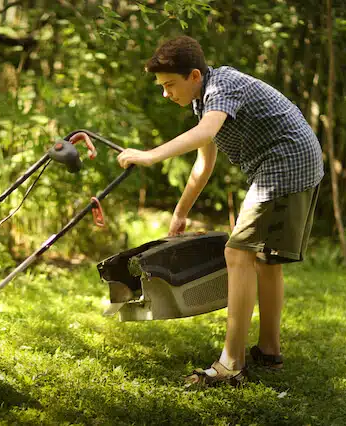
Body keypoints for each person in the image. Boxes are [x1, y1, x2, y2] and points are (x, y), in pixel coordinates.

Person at [116, 35, 324, 387]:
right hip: (295, 161)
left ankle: (231, 364)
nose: (166, 93)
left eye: (170, 85)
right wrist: (181, 212)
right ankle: (269, 352)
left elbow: (204, 134)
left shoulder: (221, 88)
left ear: (194, 75)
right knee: (266, 259)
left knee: (237, 252)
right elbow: (204, 160)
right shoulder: (205, 99)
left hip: (285, 164)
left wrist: (150, 155)